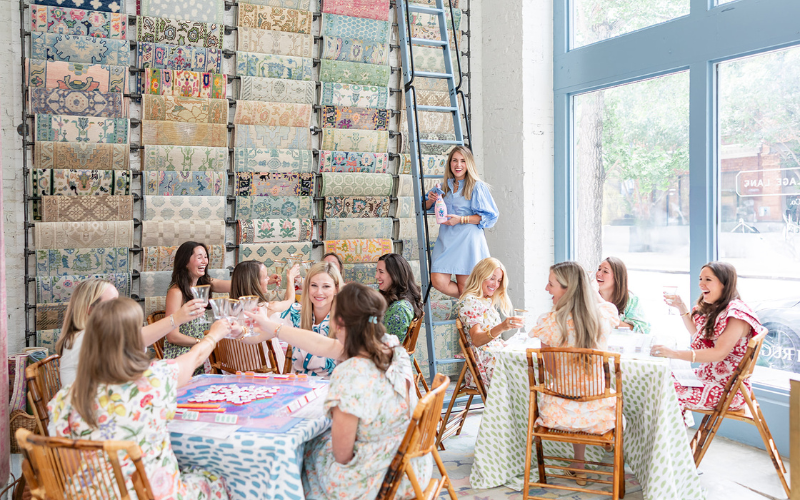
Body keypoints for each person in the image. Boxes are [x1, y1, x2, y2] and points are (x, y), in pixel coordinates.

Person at [244, 283, 433, 499]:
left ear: (338, 322)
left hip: (382, 477)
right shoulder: (392, 348)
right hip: (413, 465)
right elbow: (323, 345)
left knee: (299, 456)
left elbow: (342, 455)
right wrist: (270, 326)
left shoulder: (349, 374)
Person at [48, 298, 233, 499]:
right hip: (151, 494)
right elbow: (194, 359)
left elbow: (65, 464)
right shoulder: (154, 379)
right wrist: (214, 335)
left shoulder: (63, 399)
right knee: (214, 479)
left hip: (90, 496)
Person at [529, 261, 620, 483]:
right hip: (599, 417)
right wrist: (589, 288)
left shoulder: (547, 322)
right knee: (587, 398)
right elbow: (603, 305)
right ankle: (590, 463)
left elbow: (552, 371)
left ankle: (578, 463)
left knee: (573, 397)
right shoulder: (605, 316)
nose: (546, 289)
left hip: (556, 414)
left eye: (551, 284)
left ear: (567, 290)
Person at [652, 261, 767, 416]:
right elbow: (697, 334)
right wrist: (682, 308)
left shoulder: (736, 315)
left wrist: (674, 353)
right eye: (700, 279)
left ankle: (667, 439)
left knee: (664, 392)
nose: (701, 284)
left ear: (724, 284)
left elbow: (719, 353)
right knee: (659, 379)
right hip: (707, 377)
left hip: (727, 390)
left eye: (708, 279)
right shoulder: (720, 307)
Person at [56, 278, 206, 386]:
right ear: (89, 309)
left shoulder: (91, 337)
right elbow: (135, 339)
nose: (119, 307)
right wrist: (177, 319)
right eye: (112, 303)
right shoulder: (82, 340)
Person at [424, 146, 499, 298]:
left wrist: (461, 219)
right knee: (438, 280)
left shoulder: (477, 186)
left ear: (469, 163)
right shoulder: (444, 186)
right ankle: (473, 300)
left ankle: (471, 309)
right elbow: (425, 207)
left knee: (465, 287)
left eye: (463, 161)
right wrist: (430, 201)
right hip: (446, 239)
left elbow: (490, 217)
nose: (458, 165)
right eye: (455, 160)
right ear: (450, 163)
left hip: (467, 240)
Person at [455, 257, 521, 391]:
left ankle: (526, 407)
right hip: (483, 363)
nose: (496, 284)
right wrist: (502, 327)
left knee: (527, 357)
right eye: (492, 278)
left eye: (499, 280)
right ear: (480, 276)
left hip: (493, 355)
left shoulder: (486, 301)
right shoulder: (470, 301)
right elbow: (477, 340)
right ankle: (523, 408)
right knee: (524, 371)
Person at [163, 242, 235, 365]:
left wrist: (265, 280)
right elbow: (172, 336)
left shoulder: (204, 284)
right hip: (184, 355)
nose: (205, 261)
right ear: (185, 262)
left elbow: (236, 285)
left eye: (206, 257)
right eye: (199, 257)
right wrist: (204, 341)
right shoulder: (176, 292)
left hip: (202, 351)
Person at [278, 262, 342, 377]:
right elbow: (264, 330)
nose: (319, 292)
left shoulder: (344, 320)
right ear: (307, 287)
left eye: (326, 286)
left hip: (330, 390)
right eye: (314, 285)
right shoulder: (295, 313)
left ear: (336, 289)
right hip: (298, 388)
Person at [596, 256, 651, 333]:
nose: (598, 273)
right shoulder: (588, 295)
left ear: (617, 277)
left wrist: (612, 321)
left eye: (605, 271)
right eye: (599, 269)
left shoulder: (630, 299)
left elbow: (643, 330)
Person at [376, 253, 423, 342]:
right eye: (377, 271)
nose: (376, 276)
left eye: (381, 272)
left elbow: (391, 348)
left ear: (395, 275)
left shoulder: (399, 309)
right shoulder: (399, 301)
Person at [230, 260, 298, 315]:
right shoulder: (264, 309)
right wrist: (291, 277)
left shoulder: (232, 309)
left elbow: (286, 301)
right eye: (266, 277)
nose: (269, 278)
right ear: (256, 284)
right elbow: (290, 303)